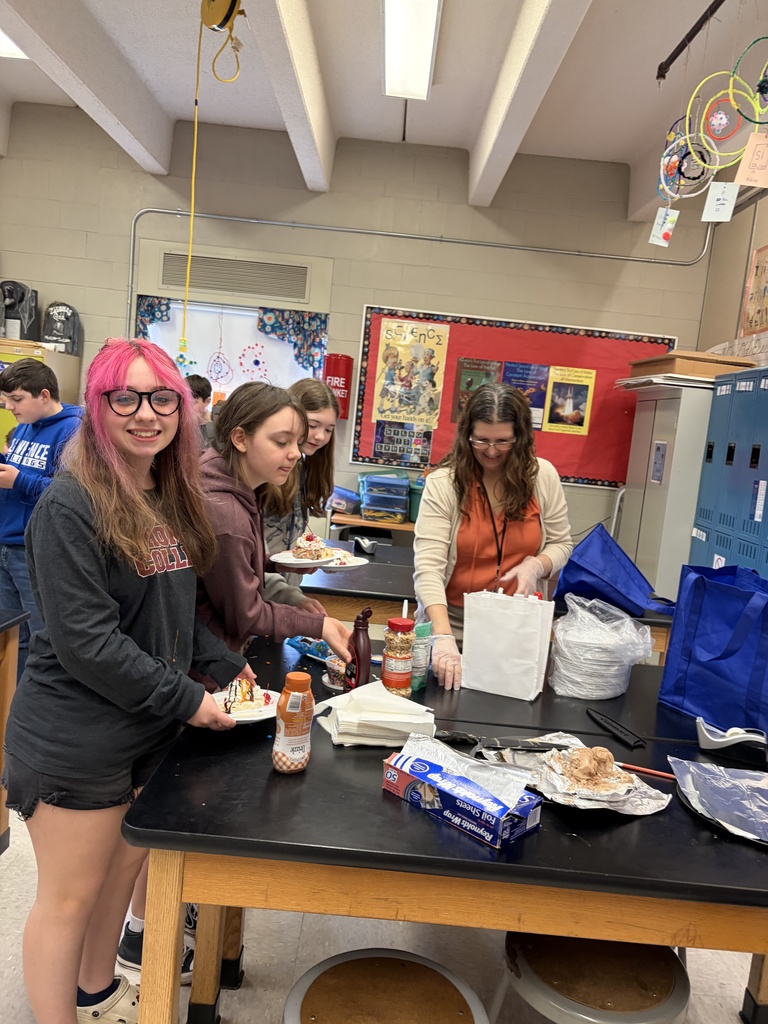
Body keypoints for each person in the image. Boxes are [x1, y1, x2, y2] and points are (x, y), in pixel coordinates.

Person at [1, 338, 255, 1024]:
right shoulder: (70, 505)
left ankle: (96, 994)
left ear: (181, 409)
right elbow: (87, 642)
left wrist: (224, 664)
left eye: (162, 397)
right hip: (74, 738)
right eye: (126, 398)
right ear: (98, 406)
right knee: (68, 899)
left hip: (142, 726)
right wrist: (190, 700)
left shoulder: (165, 494)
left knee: (117, 879)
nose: (147, 413)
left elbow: (172, 611)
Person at [413, 382, 573, 690]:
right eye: (481, 440)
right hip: (453, 624)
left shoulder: (543, 477)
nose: (490, 450)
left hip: (517, 628)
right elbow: (429, 569)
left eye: (502, 441)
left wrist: (536, 565)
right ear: (466, 435)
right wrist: (442, 637)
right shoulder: (443, 484)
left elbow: (561, 543)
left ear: (520, 437)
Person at [196, 381, 351, 660]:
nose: (295, 453)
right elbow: (244, 615)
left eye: (297, 442)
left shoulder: (238, 490)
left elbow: (238, 561)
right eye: (281, 442)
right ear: (240, 439)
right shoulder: (227, 515)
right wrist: (316, 625)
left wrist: (276, 563)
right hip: (210, 661)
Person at [0, 358, 83, 680]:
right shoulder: (24, 426)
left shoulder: (73, 430)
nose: (9, 407)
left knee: (41, 637)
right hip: (6, 545)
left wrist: (19, 480)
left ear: (44, 395)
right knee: (11, 638)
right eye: (7, 399)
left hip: (34, 550)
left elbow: (75, 493)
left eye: (16, 399)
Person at [263, 378, 339, 605]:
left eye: (328, 430)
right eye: (313, 425)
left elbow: (287, 539)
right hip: (259, 592)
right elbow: (252, 554)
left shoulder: (302, 469)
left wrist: (317, 554)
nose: (320, 436)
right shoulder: (266, 471)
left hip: (283, 593)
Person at [185, 372, 216, 448]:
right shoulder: (180, 423)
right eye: (183, 402)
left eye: (192, 403)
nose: (186, 407)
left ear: (207, 401)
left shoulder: (215, 428)